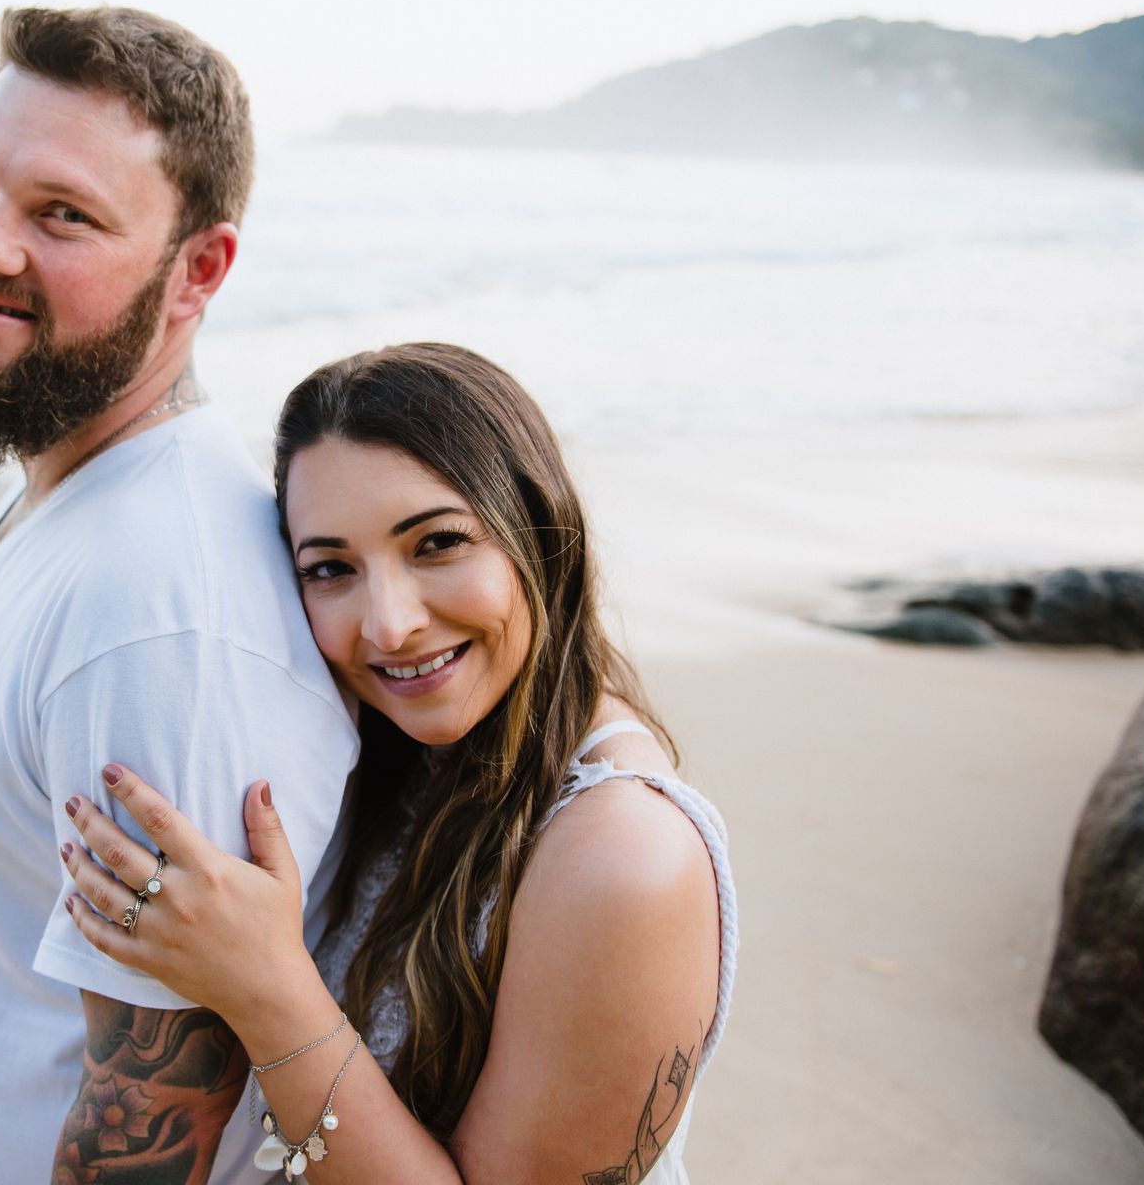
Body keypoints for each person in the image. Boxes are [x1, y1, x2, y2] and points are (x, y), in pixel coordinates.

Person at [59, 343, 738, 1182]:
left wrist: (265, 987)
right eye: (331, 569)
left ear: (541, 530)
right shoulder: (397, 755)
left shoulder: (625, 858)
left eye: (437, 543)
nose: (387, 624)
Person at [0, 7, 358, 1185]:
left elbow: (154, 1123)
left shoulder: (159, 608)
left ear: (198, 269)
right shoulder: (80, 495)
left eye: (64, 214)